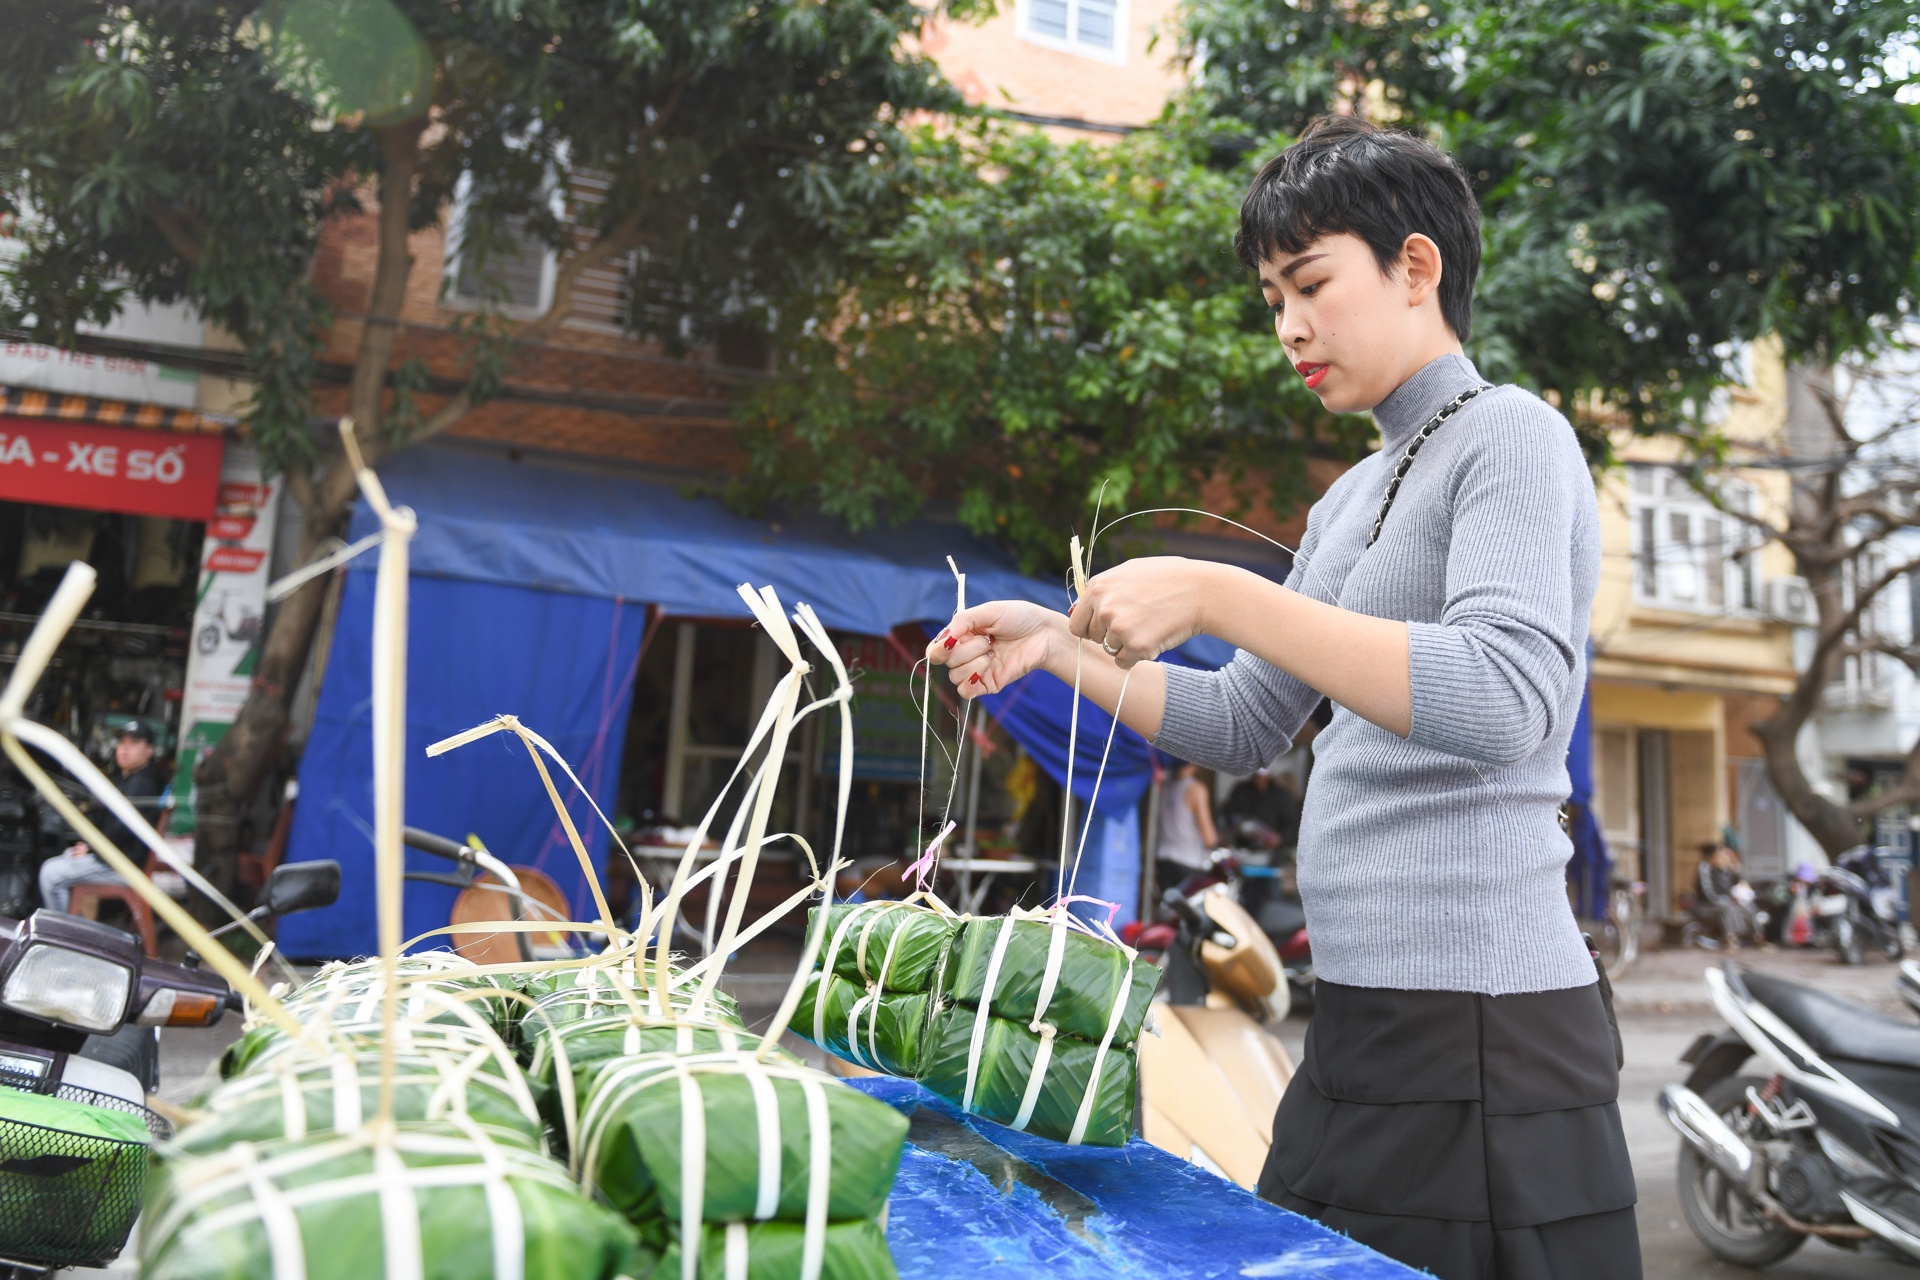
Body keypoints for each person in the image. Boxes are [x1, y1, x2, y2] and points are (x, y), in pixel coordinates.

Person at [930, 116, 1637, 1279]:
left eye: (1310, 283)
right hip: (1358, 1016)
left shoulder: (1513, 436)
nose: (1289, 326)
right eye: (1272, 299)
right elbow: (1244, 722)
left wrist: (1220, 590)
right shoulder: (1350, 496)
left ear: (1416, 267)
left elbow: (1504, 695)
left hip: (1484, 1025)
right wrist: (1057, 645)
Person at [39, 721, 168, 913]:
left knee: (51, 874)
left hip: (124, 867)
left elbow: (121, 830)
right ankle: (74, 923)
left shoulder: (143, 782)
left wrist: (91, 849)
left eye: (134, 744)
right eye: (122, 742)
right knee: (66, 856)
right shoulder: (128, 779)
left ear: (149, 751)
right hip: (115, 860)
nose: (125, 749)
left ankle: (62, 930)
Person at [1155, 760, 1218, 892]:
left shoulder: (1164, 785)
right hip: (1188, 860)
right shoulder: (1196, 788)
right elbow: (1209, 838)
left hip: (1163, 858)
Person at [1696, 842, 1761, 948]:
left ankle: (1757, 937)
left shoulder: (1722, 870)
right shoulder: (1704, 868)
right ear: (1711, 856)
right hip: (1707, 905)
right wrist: (1726, 900)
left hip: (1723, 902)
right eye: (1719, 854)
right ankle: (1731, 939)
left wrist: (1733, 863)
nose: (1721, 856)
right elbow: (1708, 893)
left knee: (1748, 907)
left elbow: (1737, 881)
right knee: (1728, 907)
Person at [1222, 766, 1300, 852]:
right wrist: (1237, 826)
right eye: (1257, 776)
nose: (1259, 780)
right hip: (1244, 848)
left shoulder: (1282, 795)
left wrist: (1280, 838)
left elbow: (1292, 823)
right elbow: (1229, 814)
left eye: (1262, 777)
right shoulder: (1241, 791)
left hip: (1274, 852)